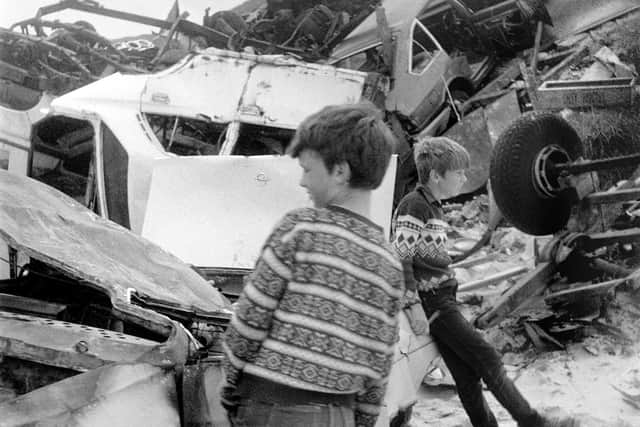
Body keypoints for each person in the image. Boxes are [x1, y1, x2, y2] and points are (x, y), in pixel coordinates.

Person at [220, 103, 405, 427]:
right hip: (341, 414)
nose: (303, 182)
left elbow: (250, 321)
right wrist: (361, 421)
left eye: (308, 170)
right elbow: (380, 363)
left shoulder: (299, 229)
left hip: (274, 407)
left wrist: (230, 382)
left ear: (339, 172)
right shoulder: (389, 261)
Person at [391, 136, 579, 427]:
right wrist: (413, 304)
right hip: (433, 302)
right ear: (435, 176)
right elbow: (400, 258)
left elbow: (425, 257)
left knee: (466, 375)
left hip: (442, 298)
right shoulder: (414, 206)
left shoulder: (433, 206)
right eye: (458, 173)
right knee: (488, 358)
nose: (464, 178)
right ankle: (532, 422)